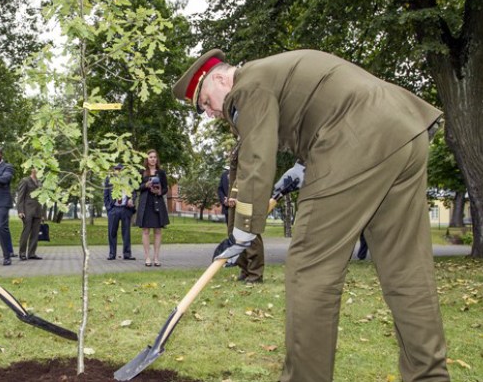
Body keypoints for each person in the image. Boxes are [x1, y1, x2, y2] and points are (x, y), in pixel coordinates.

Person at [173, 49, 448, 381]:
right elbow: (321, 106)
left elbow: (255, 157)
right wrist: (301, 167)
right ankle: (430, 376)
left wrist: (243, 231)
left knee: (309, 267)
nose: (209, 113)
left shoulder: (247, 85)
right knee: (406, 268)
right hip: (404, 129)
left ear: (219, 78)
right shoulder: (275, 73)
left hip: (355, 138)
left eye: (205, 102)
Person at [218, 147, 265, 283]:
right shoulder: (241, 142)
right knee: (235, 233)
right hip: (235, 197)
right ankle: (245, 269)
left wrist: (238, 195)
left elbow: (249, 172)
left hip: (247, 196)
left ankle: (255, 274)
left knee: (249, 233)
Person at [135, 149, 169, 267]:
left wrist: (160, 192)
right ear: (147, 159)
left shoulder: (161, 173)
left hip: (157, 203)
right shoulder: (142, 172)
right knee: (145, 230)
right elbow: (136, 187)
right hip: (145, 203)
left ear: (157, 159)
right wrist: (146, 185)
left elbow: (165, 188)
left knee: (158, 231)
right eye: (150, 157)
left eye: (155, 157)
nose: (153, 159)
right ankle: (147, 258)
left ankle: (156, 258)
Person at [104, 164, 136, 260]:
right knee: (112, 232)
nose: (118, 171)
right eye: (116, 169)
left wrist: (132, 200)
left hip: (125, 209)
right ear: (113, 170)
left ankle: (127, 254)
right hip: (113, 209)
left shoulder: (129, 180)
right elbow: (105, 195)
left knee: (126, 232)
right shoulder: (109, 179)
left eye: (120, 169)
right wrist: (108, 208)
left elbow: (134, 193)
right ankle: (112, 254)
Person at [15, 167, 45, 260]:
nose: (38, 170)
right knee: (26, 232)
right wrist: (20, 211)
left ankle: (32, 253)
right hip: (27, 211)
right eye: (36, 168)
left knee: (35, 233)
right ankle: (22, 253)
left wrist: (43, 214)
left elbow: (43, 197)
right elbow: (20, 196)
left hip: (38, 211)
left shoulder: (40, 182)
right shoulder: (25, 180)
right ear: (32, 170)